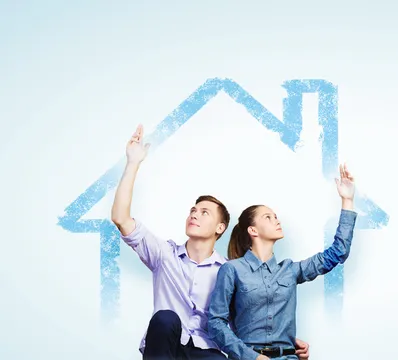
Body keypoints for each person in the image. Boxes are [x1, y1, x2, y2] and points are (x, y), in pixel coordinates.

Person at [111, 125, 311, 360]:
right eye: (193, 210)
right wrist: (133, 162)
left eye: (204, 212)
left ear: (220, 228)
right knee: (166, 318)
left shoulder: (229, 271)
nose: (194, 214)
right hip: (166, 346)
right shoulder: (163, 254)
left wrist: (284, 342)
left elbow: (246, 321)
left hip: (206, 350)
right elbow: (120, 218)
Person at [207, 163, 358, 359]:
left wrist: (347, 200)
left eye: (276, 216)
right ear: (253, 230)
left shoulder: (290, 270)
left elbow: (338, 252)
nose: (277, 220)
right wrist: (252, 357)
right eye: (268, 217)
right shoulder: (232, 269)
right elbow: (216, 322)